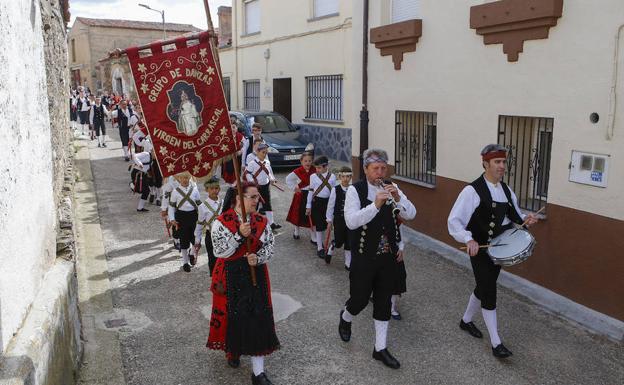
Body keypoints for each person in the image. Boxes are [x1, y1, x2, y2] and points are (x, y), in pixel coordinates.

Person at [447, 143, 539, 358]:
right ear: (485, 163)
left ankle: (466, 321)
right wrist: (467, 239)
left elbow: (516, 216)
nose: (502, 166)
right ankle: (496, 344)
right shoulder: (471, 191)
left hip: (499, 248)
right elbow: (454, 221)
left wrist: (527, 219)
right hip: (479, 248)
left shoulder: (506, 189)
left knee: (484, 285)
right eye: (497, 162)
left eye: (504, 162)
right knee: (489, 290)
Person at [338, 148, 416, 369]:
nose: (380, 173)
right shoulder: (355, 190)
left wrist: (398, 198)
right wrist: (375, 205)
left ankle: (380, 348)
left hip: (388, 257)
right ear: (365, 169)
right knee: (359, 299)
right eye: (375, 169)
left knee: (383, 302)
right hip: (364, 257)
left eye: (383, 168)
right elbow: (352, 222)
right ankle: (345, 317)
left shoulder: (393, 187)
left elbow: (410, 215)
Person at [207, 182, 279, 385]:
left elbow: (270, 247)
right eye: (253, 197)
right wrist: (239, 235)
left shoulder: (261, 221)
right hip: (231, 275)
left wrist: (258, 257)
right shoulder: (221, 222)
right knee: (234, 316)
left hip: (256, 274)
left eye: (258, 197)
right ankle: (234, 350)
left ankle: (258, 373)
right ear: (239, 197)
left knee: (258, 316)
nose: (258, 200)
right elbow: (219, 252)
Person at [168, 173, 202, 272]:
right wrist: (172, 219)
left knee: (196, 239)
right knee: (183, 240)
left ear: (190, 178)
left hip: (193, 216)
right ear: (179, 179)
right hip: (181, 217)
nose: (184, 180)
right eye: (182, 178)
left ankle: (191, 254)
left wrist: (206, 215)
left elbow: (199, 204)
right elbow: (171, 207)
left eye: (186, 177)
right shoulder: (175, 191)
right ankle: (185, 262)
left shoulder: (195, 190)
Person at [244, 143, 281, 230]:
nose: (265, 154)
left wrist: (272, 179)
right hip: (256, 187)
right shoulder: (252, 163)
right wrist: (252, 182)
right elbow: (247, 174)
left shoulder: (267, 162)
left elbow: (269, 172)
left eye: (266, 153)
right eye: (263, 152)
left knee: (267, 204)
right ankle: (252, 223)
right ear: (258, 152)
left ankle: (271, 223)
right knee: (254, 205)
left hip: (265, 186)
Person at [306, 156, 336, 259]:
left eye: (319, 168)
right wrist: (308, 206)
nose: (316, 170)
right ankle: (320, 247)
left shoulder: (332, 177)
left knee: (325, 224)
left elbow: (333, 193)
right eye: (316, 168)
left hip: (328, 203)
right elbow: (310, 191)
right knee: (319, 225)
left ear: (326, 166)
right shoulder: (313, 176)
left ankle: (322, 242)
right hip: (317, 202)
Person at [325, 166, 353, 268]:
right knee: (339, 241)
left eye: (348, 176)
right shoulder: (335, 190)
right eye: (343, 176)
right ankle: (332, 246)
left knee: (349, 240)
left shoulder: (353, 189)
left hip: (350, 219)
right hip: (339, 220)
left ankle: (348, 262)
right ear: (340, 177)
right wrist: (329, 220)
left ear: (351, 177)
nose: (346, 179)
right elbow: (330, 205)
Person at [194, 177, 222, 275]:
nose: (214, 190)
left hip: (223, 235)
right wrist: (197, 240)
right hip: (211, 236)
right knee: (213, 259)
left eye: (216, 188)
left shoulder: (223, 203)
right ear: (207, 190)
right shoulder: (202, 206)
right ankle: (215, 280)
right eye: (212, 188)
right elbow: (200, 224)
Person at [285, 152, 315, 241]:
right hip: (301, 195)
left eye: (309, 161)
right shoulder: (298, 171)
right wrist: (295, 188)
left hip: (312, 195)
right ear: (301, 162)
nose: (308, 163)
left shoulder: (315, 170)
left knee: (312, 215)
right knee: (298, 214)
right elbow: (288, 179)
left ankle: (313, 236)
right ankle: (296, 231)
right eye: (305, 161)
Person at [130, 138, 154, 212]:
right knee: (143, 190)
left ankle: (140, 208)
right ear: (152, 151)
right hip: (136, 173)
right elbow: (134, 156)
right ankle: (132, 185)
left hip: (143, 175)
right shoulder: (146, 154)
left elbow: (147, 168)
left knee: (146, 191)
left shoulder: (152, 159)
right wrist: (139, 163)